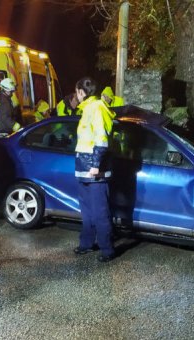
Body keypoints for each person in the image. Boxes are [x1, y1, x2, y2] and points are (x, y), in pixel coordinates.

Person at [72, 77, 116, 262]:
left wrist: (95, 166)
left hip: (94, 170)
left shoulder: (96, 108)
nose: (75, 95)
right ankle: (87, 244)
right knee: (87, 211)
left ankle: (107, 250)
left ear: (82, 92)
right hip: (85, 169)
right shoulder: (88, 109)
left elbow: (101, 140)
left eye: (76, 91)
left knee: (100, 213)